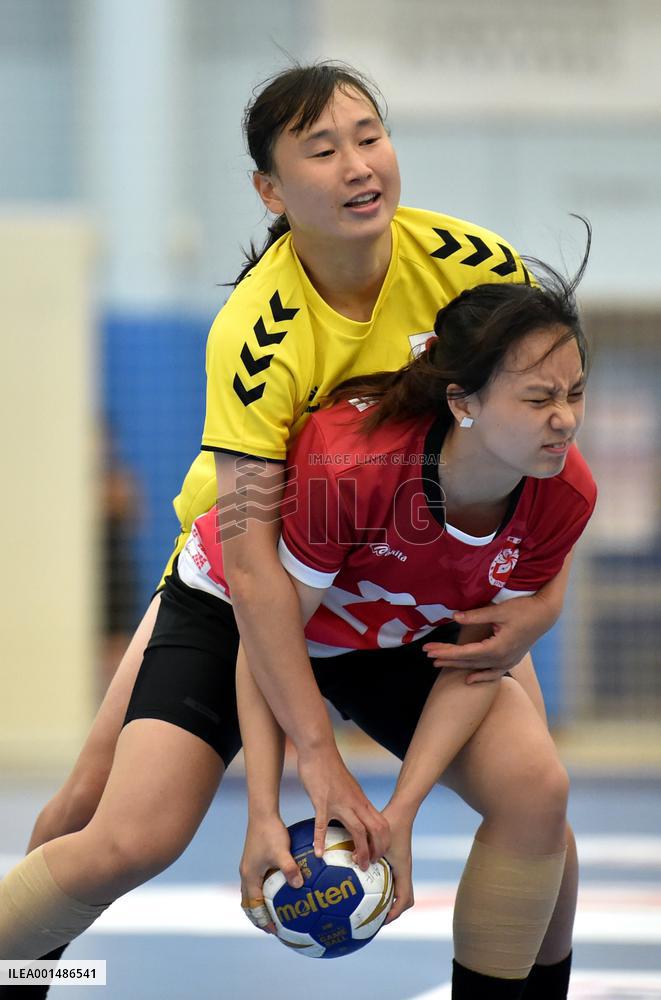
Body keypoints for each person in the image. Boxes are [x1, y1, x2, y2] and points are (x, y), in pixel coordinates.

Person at [0, 62, 572, 990]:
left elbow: (546, 459)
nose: (357, 165)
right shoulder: (258, 330)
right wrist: (309, 764)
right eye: (322, 150)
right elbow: (261, 571)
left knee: (537, 804)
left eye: (368, 137)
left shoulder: (474, 269)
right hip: (252, 576)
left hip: (413, 585)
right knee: (111, 821)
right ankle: (26, 972)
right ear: (270, 188)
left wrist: (539, 608)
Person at [231, 267, 595, 998]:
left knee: (536, 794)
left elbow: (478, 655)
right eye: (537, 398)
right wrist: (264, 808)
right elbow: (265, 631)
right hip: (245, 616)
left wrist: (401, 810)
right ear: (462, 401)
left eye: (574, 393)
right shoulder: (350, 466)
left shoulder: (564, 491)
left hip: (402, 642)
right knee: (121, 828)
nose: (564, 419)